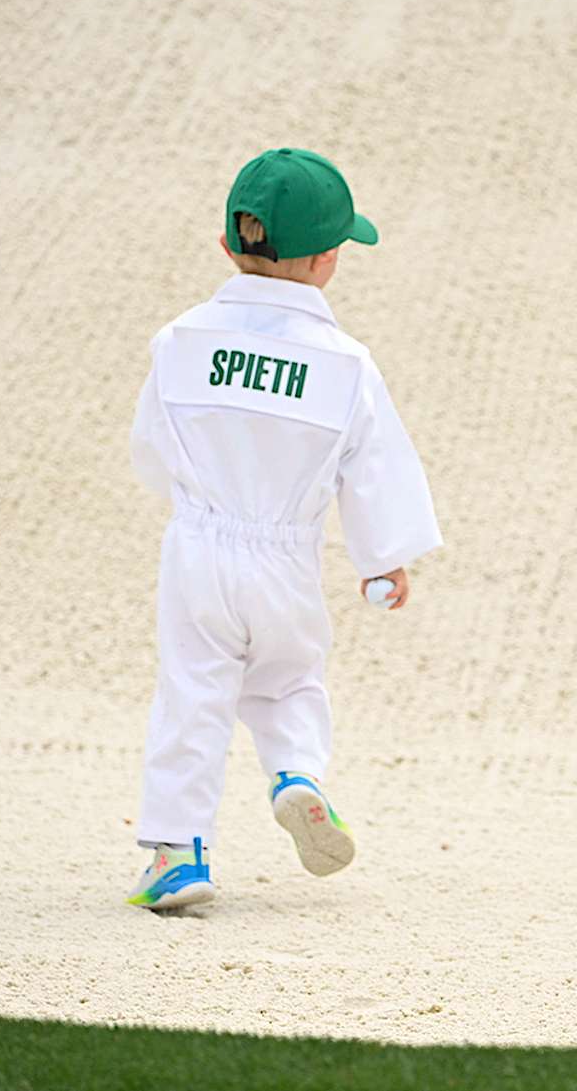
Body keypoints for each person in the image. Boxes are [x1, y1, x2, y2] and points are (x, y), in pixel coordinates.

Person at [123, 148, 441, 910]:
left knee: (192, 692)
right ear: (329, 259)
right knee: (290, 678)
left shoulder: (180, 341)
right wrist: (382, 560)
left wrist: (195, 494)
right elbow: (374, 469)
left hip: (200, 543)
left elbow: (149, 447)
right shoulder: (346, 365)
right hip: (286, 557)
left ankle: (177, 853)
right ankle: (296, 773)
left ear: (230, 245)